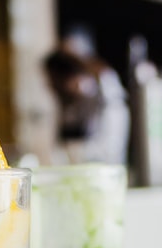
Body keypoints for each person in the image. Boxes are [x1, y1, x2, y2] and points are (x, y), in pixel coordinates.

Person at [41, 34, 129, 165]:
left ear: (67, 78)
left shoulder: (106, 97)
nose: (50, 86)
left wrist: (69, 152)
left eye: (54, 81)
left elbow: (108, 151)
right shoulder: (71, 105)